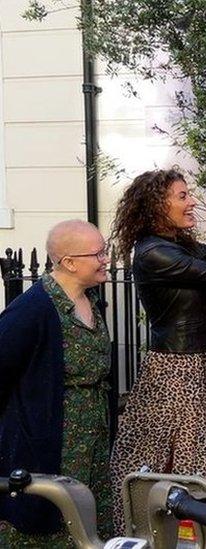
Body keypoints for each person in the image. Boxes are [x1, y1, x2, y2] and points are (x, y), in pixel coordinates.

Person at [108, 166, 206, 533]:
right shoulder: (153, 252)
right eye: (182, 196)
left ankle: (191, 528)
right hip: (178, 366)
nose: (191, 202)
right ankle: (160, 529)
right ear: (157, 205)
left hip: (201, 357)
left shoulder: (175, 244)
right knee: (178, 448)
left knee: (199, 445)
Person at [0, 221, 112, 548]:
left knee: (87, 522)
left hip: (93, 438)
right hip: (52, 442)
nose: (105, 259)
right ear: (69, 262)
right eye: (98, 253)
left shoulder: (91, 300)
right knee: (52, 520)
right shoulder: (32, 310)